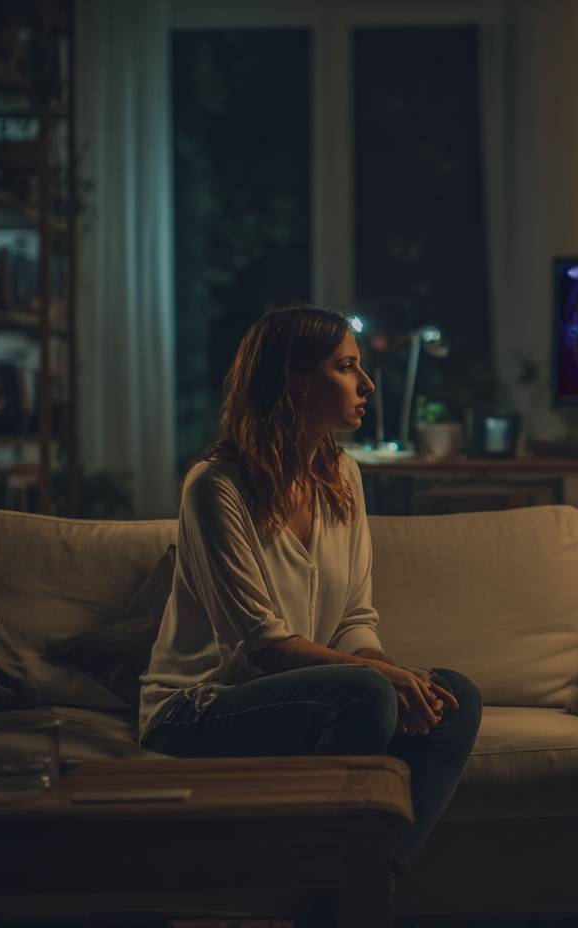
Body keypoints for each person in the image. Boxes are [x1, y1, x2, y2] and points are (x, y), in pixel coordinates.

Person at [140, 305, 481, 873]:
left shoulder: (343, 476)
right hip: (198, 706)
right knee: (367, 692)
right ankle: (344, 892)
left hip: (312, 694)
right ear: (297, 385)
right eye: (347, 367)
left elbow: (353, 619)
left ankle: (358, 886)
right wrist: (379, 679)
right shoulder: (214, 486)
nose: (367, 383)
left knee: (453, 695)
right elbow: (264, 645)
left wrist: (394, 676)